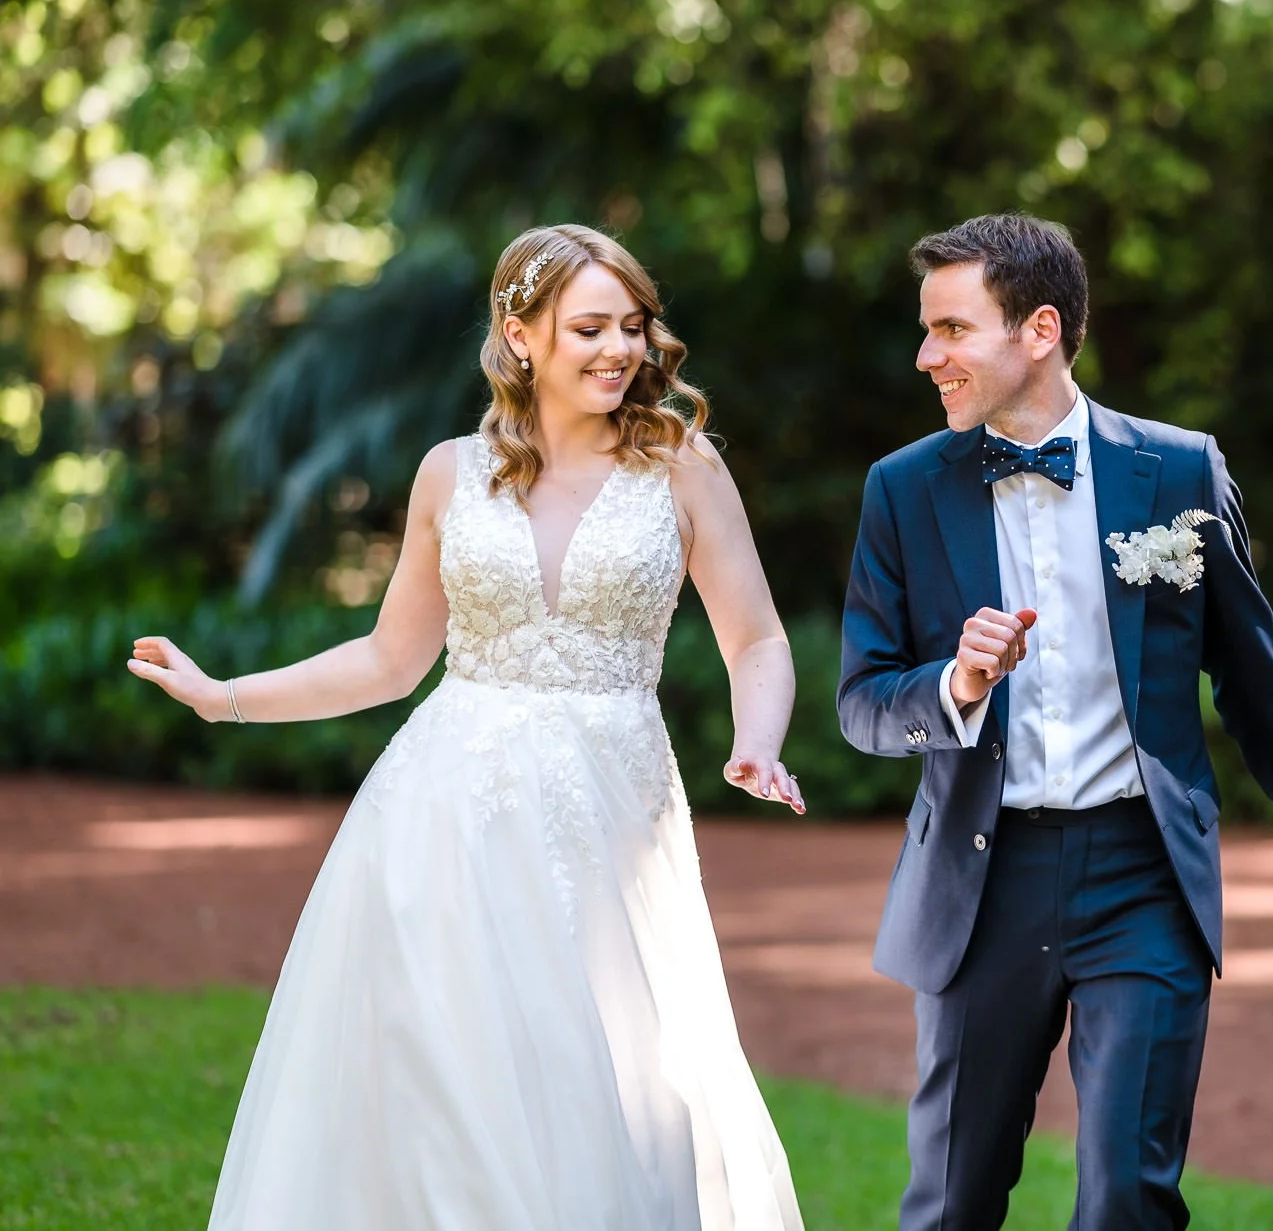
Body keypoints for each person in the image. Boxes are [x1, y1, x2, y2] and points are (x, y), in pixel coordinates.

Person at [127, 224, 806, 1230]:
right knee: (448, 1080)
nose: (618, 348)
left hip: (609, 817)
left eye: (632, 325)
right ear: (519, 334)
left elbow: (755, 640)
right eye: (588, 327)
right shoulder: (450, 473)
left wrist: (758, 739)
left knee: (607, 1070)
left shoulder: (682, 469)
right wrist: (224, 693)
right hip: (443, 816)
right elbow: (388, 660)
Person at [838, 213, 1273, 1230]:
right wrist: (955, 688)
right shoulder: (901, 488)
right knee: (952, 1203)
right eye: (926, 330)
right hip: (982, 882)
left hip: (1141, 875)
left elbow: (1254, 680)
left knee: (1126, 1200)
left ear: (1039, 328)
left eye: (950, 329)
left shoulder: (1178, 473)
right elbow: (861, 702)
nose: (926, 355)